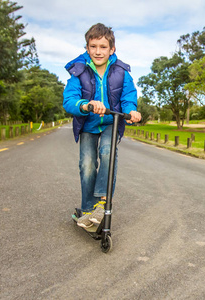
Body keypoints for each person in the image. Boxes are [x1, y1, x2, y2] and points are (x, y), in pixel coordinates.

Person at [63, 23, 141, 228]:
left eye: (103, 47)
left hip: (111, 123)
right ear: (87, 48)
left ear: (112, 49)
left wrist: (132, 110)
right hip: (88, 124)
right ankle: (88, 209)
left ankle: (101, 203)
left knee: (107, 151)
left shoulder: (121, 71)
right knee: (87, 165)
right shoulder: (78, 71)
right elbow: (69, 100)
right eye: (93, 46)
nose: (98, 51)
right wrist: (86, 105)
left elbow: (129, 96)